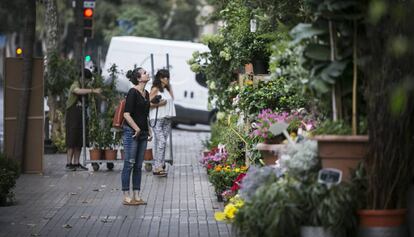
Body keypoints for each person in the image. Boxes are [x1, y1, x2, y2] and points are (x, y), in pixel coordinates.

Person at [121, 67, 153, 205]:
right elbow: (126, 114)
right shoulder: (132, 92)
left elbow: (145, 114)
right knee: (129, 163)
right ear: (139, 78)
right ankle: (126, 195)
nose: (148, 73)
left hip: (143, 133)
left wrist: (148, 130)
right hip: (131, 133)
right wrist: (137, 129)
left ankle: (137, 195)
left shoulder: (146, 93)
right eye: (145, 73)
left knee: (139, 165)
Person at [65, 68, 102, 171]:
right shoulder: (75, 84)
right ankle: (69, 163)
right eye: (86, 80)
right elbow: (77, 91)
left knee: (80, 141)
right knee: (71, 140)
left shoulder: (86, 86)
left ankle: (76, 163)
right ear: (82, 78)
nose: (87, 82)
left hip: (81, 117)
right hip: (72, 117)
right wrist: (93, 91)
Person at [149, 69, 176, 176]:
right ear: (159, 78)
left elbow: (172, 100)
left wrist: (169, 87)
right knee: (162, 142)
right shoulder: (155, 89)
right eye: (165, 77)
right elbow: (147, 104)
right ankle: (158, 166)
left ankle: (159, 164)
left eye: (168, 77)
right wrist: (160, 104)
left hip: (167, 118)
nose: (167, 79)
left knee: (161, 142)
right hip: (157, 119)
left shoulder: (167, 89)